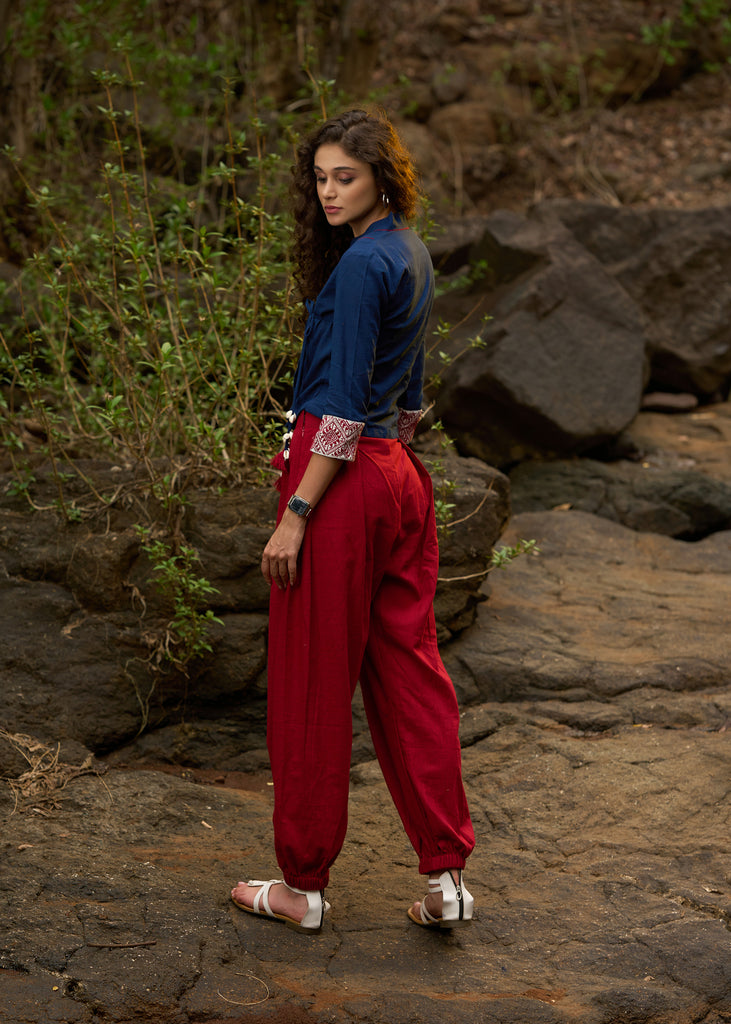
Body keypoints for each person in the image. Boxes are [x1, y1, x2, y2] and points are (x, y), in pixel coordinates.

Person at [230, 109, 475, 933]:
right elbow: (403, 398)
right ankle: (446, 879)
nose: (330, 191)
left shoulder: (366, 264)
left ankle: (301, 886)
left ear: (380, 176)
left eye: (346, 176)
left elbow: (339, 405)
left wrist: (298, 511)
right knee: (410, 672)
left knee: (308, 682)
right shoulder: (407, 249)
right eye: (322, 177)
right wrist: (382, 467)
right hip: (397, 475)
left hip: (341, 481)